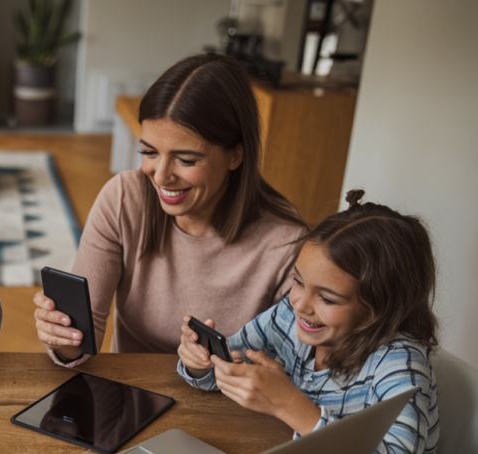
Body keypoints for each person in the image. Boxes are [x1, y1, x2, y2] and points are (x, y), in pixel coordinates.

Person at [33, 53, 306, 367]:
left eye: (186, 159)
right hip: (131, 396)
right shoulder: (124, 199)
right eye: (149, 152)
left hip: (226, 406)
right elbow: (81, 343)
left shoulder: (287, 244)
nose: (160, 176)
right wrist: (63, 337)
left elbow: (290, 373)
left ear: (236, 155)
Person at [177, 190, 439, 454]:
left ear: (381, 307)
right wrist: (201, 364)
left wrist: (287, 403)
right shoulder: (290, 317)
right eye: (298, 281)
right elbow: (231, 364)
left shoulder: (400, 366)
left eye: (327, 298)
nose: (301, 304)